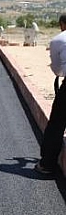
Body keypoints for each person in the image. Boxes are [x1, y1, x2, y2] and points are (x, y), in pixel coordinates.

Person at [35, 13, 66, 175]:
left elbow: (57, 70)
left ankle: (46, 165)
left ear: (62, 24)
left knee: (57, 123)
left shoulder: (59, 40)